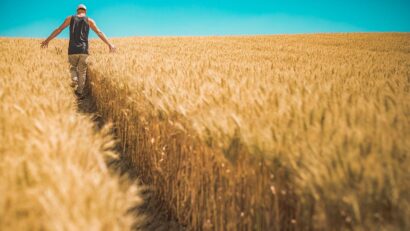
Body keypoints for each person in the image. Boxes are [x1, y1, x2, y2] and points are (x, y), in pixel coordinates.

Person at [41, 4, 115, 99]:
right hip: (84, 50)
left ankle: (74, 79)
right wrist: (109, 44)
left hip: (72, 49)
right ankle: (79, 92)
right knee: (82, 72)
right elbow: (99, 32)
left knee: (72, 67)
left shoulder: (70, 18)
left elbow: (59, 29)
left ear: (77, 11)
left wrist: (47, 40)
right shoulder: (89, 20)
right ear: (85, 11)